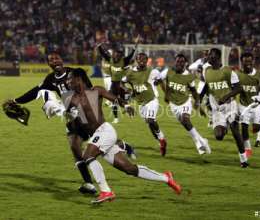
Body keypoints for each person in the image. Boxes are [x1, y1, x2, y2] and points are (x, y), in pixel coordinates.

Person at [9, 50, 135, 194]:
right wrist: (15, 101)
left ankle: (125, 146)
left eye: (57, 58)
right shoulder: (50, 79)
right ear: (49, 63)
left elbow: (89, 90)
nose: (54, 61)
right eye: (51, 60)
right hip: (69, 114)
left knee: (99, 140)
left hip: (83, 113)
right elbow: (35, 91)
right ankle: (89, 183)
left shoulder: (75, 73)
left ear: (62, 60)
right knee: (75, 147)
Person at [64, 68, 181, 204]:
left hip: (105, 131)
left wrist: (126, 106)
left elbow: (115, 99)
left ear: (79, 79)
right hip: (97, 136)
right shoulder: (71, 99)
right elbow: (75, 126)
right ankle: (166, 178)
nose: (67, 82)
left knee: (88, 156)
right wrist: (71, 117)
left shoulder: (96, 90)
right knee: (129, 169)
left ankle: (106, 191)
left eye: (69, 78)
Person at [199, 48, 248, 167]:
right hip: (216, 109)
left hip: (229, 105)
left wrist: (226, 96)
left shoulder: (227, 71)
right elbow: (207, 85)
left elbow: (238, 88)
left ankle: (243, 160)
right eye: (209, 55)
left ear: (218, 57)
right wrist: (199, 98)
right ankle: (224, 127)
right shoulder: (206, 69)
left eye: (212, 56)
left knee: (235, 130)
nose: (210, 57)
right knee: (219, 136)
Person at [159, 54, 211, 155]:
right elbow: (159, 80)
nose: (179, 63)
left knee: (185, 120)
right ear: (175, 62)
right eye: (178, 61)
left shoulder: (188, 76)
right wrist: (166, 94)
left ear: (185, 63)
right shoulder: (168, 71)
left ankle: (198, 144)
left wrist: (197, 104)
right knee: (186, 125)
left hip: (185, 102)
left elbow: (193, 91)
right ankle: (202, 140)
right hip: (174, 104)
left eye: (182, 62)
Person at [122, 53, 167, 156]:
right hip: (141, 103)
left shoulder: (153, 71)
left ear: (147, 60)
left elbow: (161, 82)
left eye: (144, 59)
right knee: (150, 123)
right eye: (139, 59)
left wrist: (166, 95)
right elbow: (122, 82)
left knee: (151, 120)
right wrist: (127, 90)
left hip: (152, 99)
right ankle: (161, 141)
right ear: (136, 60)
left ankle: (161, 137)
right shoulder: (131, 73)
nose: (142, 60)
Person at [97, 37, 139, 123]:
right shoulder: (110, 60)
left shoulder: (124, 61)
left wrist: (135, 45)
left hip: (120, 84)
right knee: (114, 101)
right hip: (113, 84)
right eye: (116, 54)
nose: (116, 56)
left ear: (120, 56)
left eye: (118, 55)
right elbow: (103, 54)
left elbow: (131, 55)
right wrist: (99, 46)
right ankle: (116, 118)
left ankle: (129, 107)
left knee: (123, 102)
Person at [236, 52, 260, 156]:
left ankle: (255, 130)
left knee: (257, 127)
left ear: (253, 61)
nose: (247, 63)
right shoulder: (238, 74)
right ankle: (247, 149)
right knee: (244, 127)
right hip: (243, 105)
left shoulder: (258, 74)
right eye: (245, 61)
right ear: (241, 62)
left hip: (256, 105)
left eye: (249, 61)